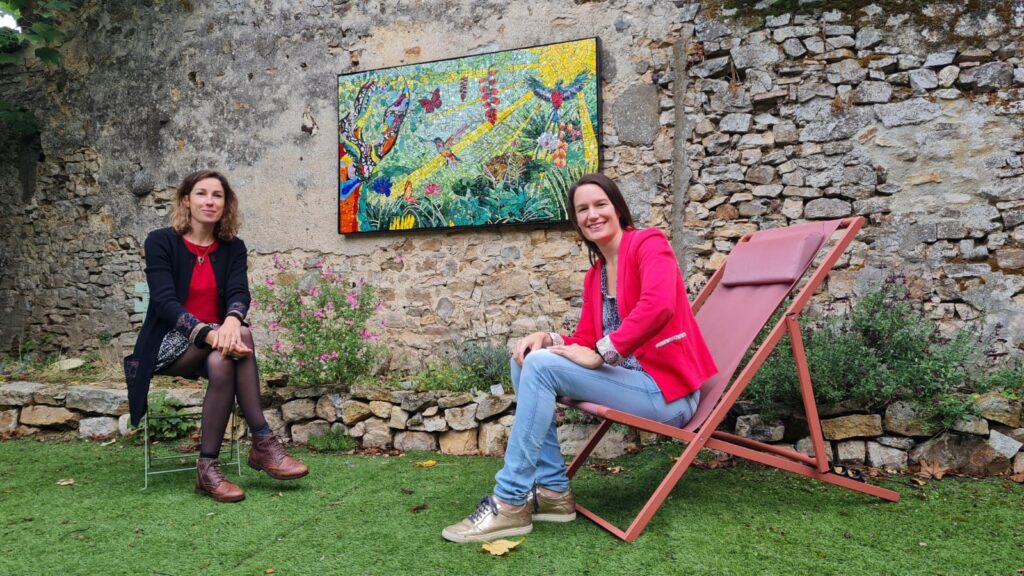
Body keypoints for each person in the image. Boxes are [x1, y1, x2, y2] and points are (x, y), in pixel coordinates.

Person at [442, 173, 718, 542]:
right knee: (527, 357)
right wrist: (549, 337)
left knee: (540, 366)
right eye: (582, 209)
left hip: (667, 394)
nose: (593, 215)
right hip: (629, 384)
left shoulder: (648, 244)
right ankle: (554, 492)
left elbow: (659, 306)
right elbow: (586, 338)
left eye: (600, 204)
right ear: (577, 221)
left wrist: (605, 351)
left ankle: (509, 502)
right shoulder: (597, 275)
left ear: (618, 210)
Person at [124, 169, 307, 503]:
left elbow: (239, 291)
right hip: (168, 341)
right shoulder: (160, 241)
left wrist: (233, 321)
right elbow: (164, 302)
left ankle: (208, 468)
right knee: (239, 344)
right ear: (186, 201)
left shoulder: (232, 248)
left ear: (226, 204)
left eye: (217, 195)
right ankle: (263, 443)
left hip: (216, 345)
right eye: (201, 194)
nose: (209, 201)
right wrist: (209, 333)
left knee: (227, 358)